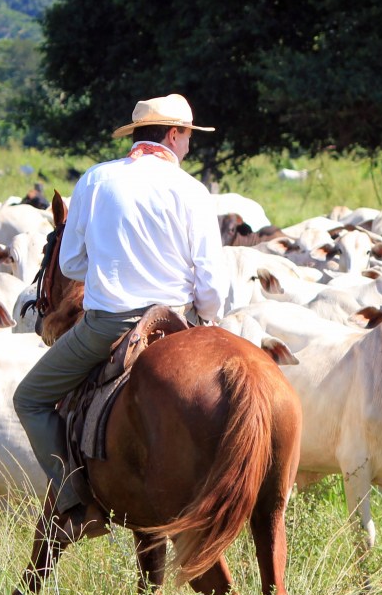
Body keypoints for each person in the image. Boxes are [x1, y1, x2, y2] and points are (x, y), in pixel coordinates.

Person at [13, 93, 228, 539]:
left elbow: (70, 264)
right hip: (177, 324)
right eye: (188, 136)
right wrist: (205, 318)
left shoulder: (96, 180)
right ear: (173, 134)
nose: (189, 145)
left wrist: (112, 261)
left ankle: (77, 500)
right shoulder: (193, 191)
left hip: (110, 325)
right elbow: (211, 285)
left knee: (30, 399)